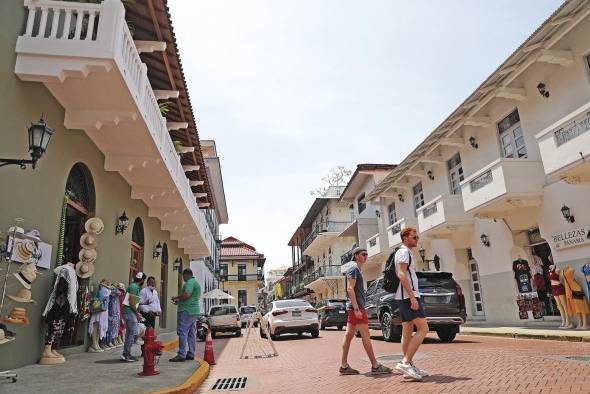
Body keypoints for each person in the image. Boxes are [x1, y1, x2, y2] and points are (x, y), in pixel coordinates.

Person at [340, 246, 392, 375]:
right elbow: (350, 289)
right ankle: (375, 365)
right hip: (356, 308)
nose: (366, 256)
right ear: (356, 255)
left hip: (355, 308)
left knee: (349, 336)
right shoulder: (353, 269)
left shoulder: (357, 270)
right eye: (363, 254)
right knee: (365, 336)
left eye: (367, 254)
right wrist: (357, 308)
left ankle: (344, 365)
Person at [394, 227, 429, 380]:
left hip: (404, 297)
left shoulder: (405, 252)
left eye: (417, 237)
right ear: (405, 238)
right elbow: (401, 274)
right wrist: (412, 297)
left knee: (407, 331)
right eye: (414, 237)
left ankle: (408, 366)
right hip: (408, 297)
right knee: (423, 328)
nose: (417, 240)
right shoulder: (403, 252)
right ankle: (406, 362)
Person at [170, 268, 202, 362]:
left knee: (182, 332)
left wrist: (177, 297)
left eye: (183, 276)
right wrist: (179, 300)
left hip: (186, 311)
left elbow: (187, 294)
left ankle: (181, 354)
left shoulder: (190, 282)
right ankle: (191, 353)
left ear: (187, 275)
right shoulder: (196, 282)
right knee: (191, 333)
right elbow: (189, 297)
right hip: (193, 311)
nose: (183, 278)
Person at [121, 272, 145, 362]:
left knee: (129, 334)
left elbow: (132, 302)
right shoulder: (134, 287)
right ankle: (127, 354)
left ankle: (125, 353)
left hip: (128, 312)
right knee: (133, 333)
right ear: (142, 280)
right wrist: (137, 313)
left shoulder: (133, 286)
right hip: (130, 313)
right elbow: (131, 302)